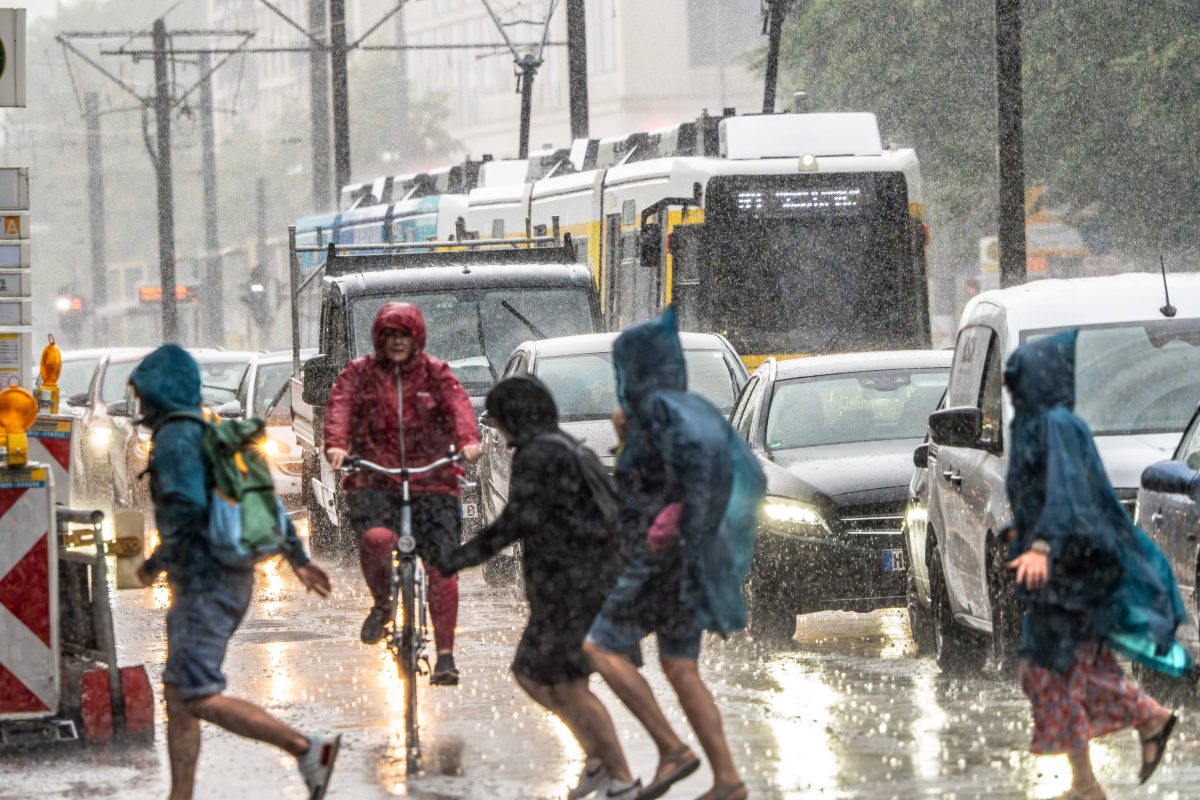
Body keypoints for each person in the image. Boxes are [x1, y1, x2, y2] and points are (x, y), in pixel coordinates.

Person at [130, 345, 338, 800]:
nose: (140, 404)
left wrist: (152, 565)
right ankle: (180, 794)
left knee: (195, 693)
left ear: (159, 393)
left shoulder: (175, 440)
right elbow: (262, 497)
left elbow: (186, 517)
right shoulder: (211, 428)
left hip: (206, 582)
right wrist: (297, 558)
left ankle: (306, 748)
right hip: (227, 575)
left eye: (142, 394)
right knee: (179, 692)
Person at [583, 307, 765, 800]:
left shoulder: (655, 415)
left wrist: (665, 527)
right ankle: (727, 779)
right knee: (681, 668)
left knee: (598, 646)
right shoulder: (696, 409)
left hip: (658, 562)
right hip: (691, 562)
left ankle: (671, 749)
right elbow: (732, 476)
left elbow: (647, 486)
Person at [1004, 330, 1191, 800]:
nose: (1011, 387)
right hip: (1063, 572)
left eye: (1019, 377)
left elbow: (1066, 495)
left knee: (1056, 666)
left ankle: (1146, 721)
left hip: (1071, 572)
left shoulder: (1055, 426)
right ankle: (1087, 779)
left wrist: (1043, 544)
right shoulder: (1038, 424)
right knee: (1060, 666)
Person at [436, 375, 637, 799]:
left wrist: (458, 558)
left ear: (515, 417)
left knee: (544, 676)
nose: (496, 428)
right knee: (558, 679)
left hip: (575, 586)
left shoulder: (538, 454)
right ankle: (601, 764)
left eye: (498, 418)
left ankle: (619, 775)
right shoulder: (563, 445)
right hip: (584, 582)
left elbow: (516, 522)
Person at [323, 301, 481, 685]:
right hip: (376, 481)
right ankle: (383, 603)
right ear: (379, 338)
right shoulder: (358, 375)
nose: (396, 342)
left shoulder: (436, 373)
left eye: (404, 335)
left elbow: (459, 406)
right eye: (389, 335)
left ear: (417, 338)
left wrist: (468, 441)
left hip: (433, 482)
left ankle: (445, 655)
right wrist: (337, 445)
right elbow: (340, 408)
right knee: (377, 539)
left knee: (442, 568)